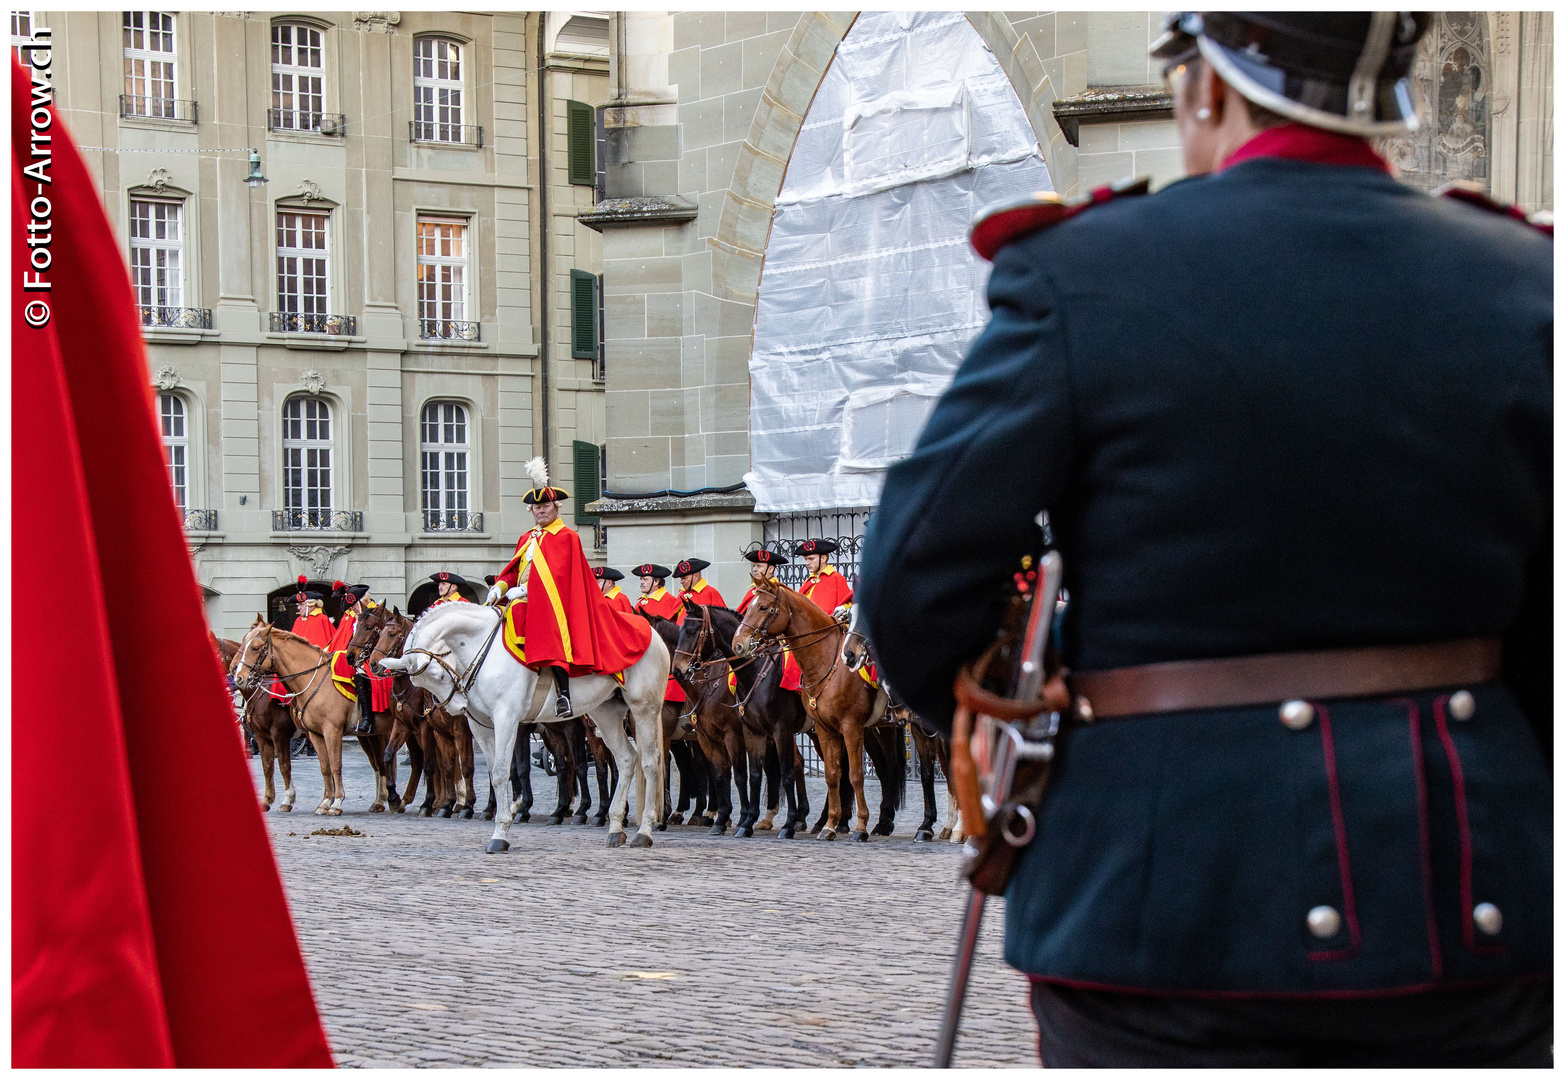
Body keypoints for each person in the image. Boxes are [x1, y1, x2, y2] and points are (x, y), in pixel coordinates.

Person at [857, 11, 1550, 1068]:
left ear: (1205, 89)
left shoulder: (1080, 272)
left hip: (1154, 904)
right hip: (1464, 899)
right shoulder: (1526, 280)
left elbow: (913, 580)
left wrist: (1011, 721)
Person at [486, 459, 650, 717]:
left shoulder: (567, 537)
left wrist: (527, 591)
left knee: (548, 630)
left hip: (554, 605)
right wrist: (500, 586)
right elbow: (514, 571)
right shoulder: (526, 538)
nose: (541, 511)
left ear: (556, 508)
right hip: (521, 601)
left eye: (546, 506)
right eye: (536, 507)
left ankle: (564, 695)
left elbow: (560, 579)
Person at [796, 539, 853, 619]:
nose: (807, 563)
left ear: (823, 558)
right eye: (806, 559)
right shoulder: (808, 582)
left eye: (811, 559)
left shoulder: (836, 578)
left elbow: (849, 603)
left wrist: (843, 608)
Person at [736, 548, 789, 615]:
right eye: (754, 566)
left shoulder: (779, 591)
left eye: (759, 566)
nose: (755, 569)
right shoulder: (752, 591)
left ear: (770, 569)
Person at [287, 578, 333, 650]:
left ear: (311, 604)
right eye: (298, 605)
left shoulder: (321, 619)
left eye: (302, 605)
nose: (299, 608)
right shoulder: (298, 620)